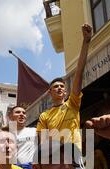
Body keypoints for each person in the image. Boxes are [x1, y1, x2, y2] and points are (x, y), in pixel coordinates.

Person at [36, 23, 92, 153]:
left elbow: (79, 73)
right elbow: (42, 142)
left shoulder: (72, 103)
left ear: (66, 91)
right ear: (50, 92)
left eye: (62, 86)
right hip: (55, 160)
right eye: (56, 87)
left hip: (75, 159)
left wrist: (86, 42)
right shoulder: (44, 116)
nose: (60, 88)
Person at [8, 105, 37, 169]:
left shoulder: (35, 131)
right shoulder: (5, 134)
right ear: (10, 117)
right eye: (18, 112)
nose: (21, 114)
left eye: (24, 113)